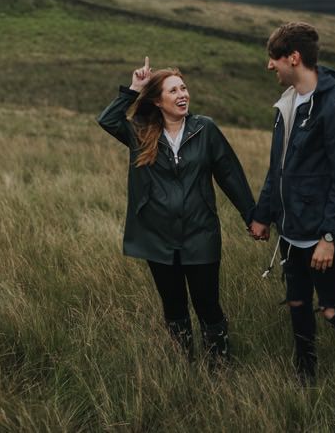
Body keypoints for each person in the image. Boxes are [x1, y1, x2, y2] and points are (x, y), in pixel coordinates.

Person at [97, 57, 256, 365]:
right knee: (173, 306)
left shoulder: (204, 129)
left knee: (208, 304)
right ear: (158, 101)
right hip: (157, 237)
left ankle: (218, 367)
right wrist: (134, 88)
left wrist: (251, 215)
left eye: (183, 88)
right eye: (173, 91)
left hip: (200, 234)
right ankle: (183, 365)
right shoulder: (140, 132)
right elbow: (108, 120)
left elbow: (230, 174)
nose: (183, 94)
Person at [248, 22, 335, 389]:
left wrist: (329, 237)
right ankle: (305, 378)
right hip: (290, 232)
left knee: (333, 309)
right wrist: (263, 214)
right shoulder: (287, 103)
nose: (269, 66)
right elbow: (278, 168)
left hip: (322, 236)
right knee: (297, 304)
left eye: (273, 58)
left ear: (293, 58)